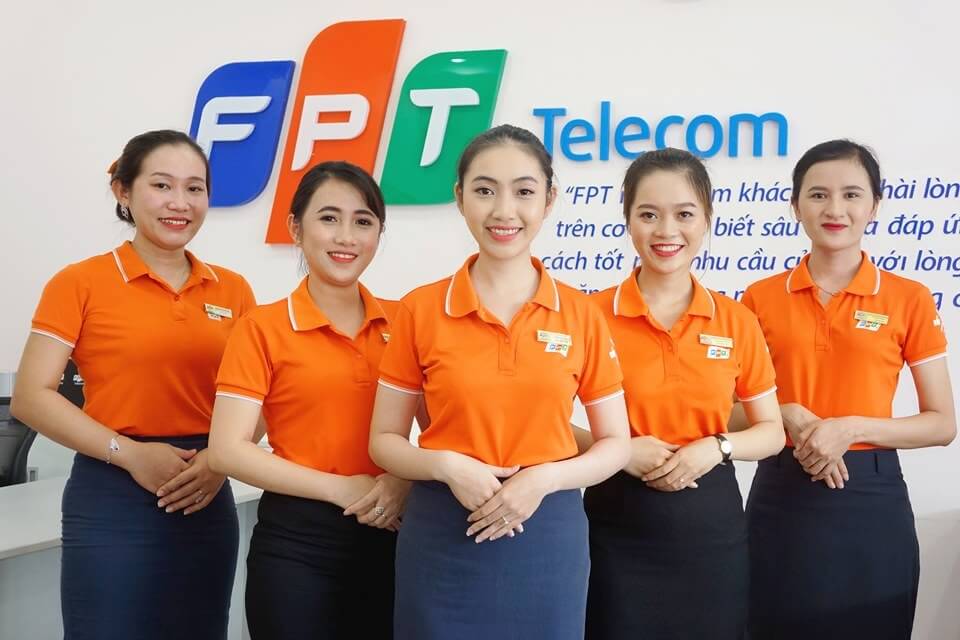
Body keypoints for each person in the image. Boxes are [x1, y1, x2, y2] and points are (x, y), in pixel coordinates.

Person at [368, 124, 631, 639]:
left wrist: (544, 479)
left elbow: (617, 444)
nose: (504, 210)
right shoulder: (421, 309)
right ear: (459, 196)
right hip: (444, 528)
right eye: (485, 190)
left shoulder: (581, 314)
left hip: (547, 530)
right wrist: (445, 466)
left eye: (524, 191)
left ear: (549, 200)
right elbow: (384, 440)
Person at [10, 129, 256, 640]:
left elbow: (259, 398)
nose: (180, 203)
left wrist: (218, 462)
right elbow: (31, 396)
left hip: (204, 489)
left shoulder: (233, 289)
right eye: (162, 185)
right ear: (123, 191)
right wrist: (131, 455)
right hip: (112, 486)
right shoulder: (80, 282)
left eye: (194, 188)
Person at [737, 139, 956, 639]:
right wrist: (787, 413)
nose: (835, 209)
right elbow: (725, 409)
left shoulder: (909, 299)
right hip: (783, 491)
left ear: (874, 205)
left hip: (871, 497)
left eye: (852, 194)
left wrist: (851, 429)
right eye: (818, 195)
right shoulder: (758, 299)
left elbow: (942, 424)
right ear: (795, 206)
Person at [575, 148, 784, 639]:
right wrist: (620, 449)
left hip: (710, 529)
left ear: (707, 218)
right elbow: (542, 421)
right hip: (615, 523)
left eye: (684, 214)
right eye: (648, 214)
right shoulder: (588, 316)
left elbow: (771, 431)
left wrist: (716, 447)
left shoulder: (736, 320)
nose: (666, 231)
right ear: (627, 219)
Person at [207, 161, 411, 638]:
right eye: (329, 218)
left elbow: (448, 422)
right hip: (298, 547)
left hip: (395, 533)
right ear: (296, 228)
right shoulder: (262, 328)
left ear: (379, 234)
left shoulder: (406, 322)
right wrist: (340, 489)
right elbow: (227, 449)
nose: (346, 237)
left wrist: (403, 479)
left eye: (363, 221)